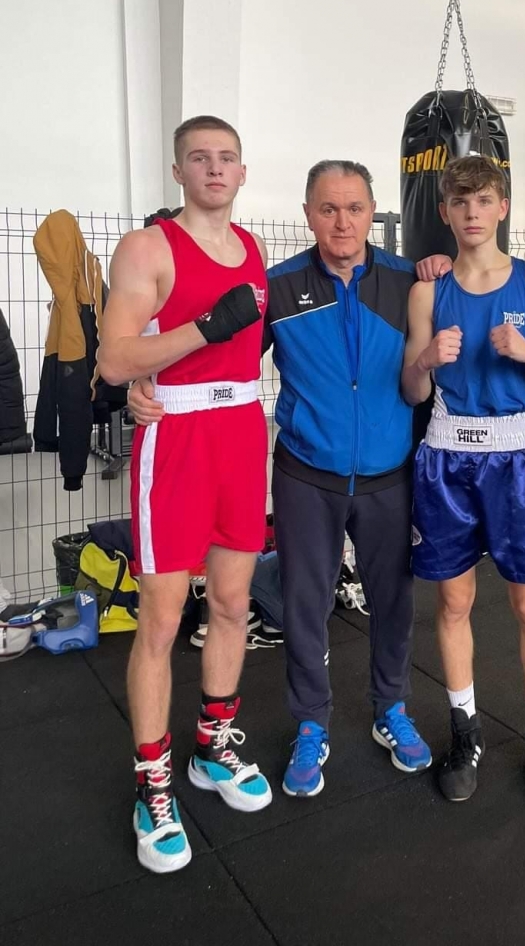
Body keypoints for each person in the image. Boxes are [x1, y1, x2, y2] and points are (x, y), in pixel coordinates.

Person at [129, 160, 433, 804]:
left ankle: (392, 708)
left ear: (373, 211)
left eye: (354, 208)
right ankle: (310, 723)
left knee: (394, 600)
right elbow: (222, 358)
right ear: (308, 215)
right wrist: (143, 384)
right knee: (303, 603)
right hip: (306, 473)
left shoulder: (411, 281)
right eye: (328, 209)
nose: (342, 222)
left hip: (388, 475)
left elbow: (457, 340)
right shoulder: (280, 285)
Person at [99, 115, 272, 875]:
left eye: (226, 158)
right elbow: (114, 359)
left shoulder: (253, 249)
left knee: (232, 604)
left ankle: (212, 745)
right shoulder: (148, 247)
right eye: (199, 157)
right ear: (178, 171)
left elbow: (254, 341)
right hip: (176, 442)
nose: (214, 168)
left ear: (242, 172)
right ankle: (153, 783)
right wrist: (202, 329)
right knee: (164, 619)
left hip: (241, 436)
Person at [402, 155, 525, 815]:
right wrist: (425, 359)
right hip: (447, 453)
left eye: (483, 201)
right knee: (453, 603)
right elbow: (410, 389)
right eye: (460, 202)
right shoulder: (427, 292)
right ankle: (465, 733)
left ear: (502, 207)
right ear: (445, 212)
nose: (472, 213)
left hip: (515, 456)